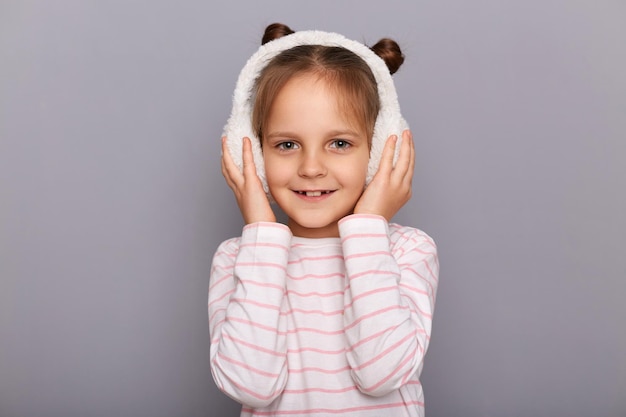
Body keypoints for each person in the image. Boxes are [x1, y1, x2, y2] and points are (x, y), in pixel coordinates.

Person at [209, 23, 439, 417]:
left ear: (383, 149)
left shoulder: (406, 250)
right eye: (286, 144)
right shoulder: (240, 257)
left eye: (339, 144)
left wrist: (369, 229)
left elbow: (381, 374)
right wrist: (261, 235)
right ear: (254, 156)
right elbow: (252, 385)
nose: (311, 167)